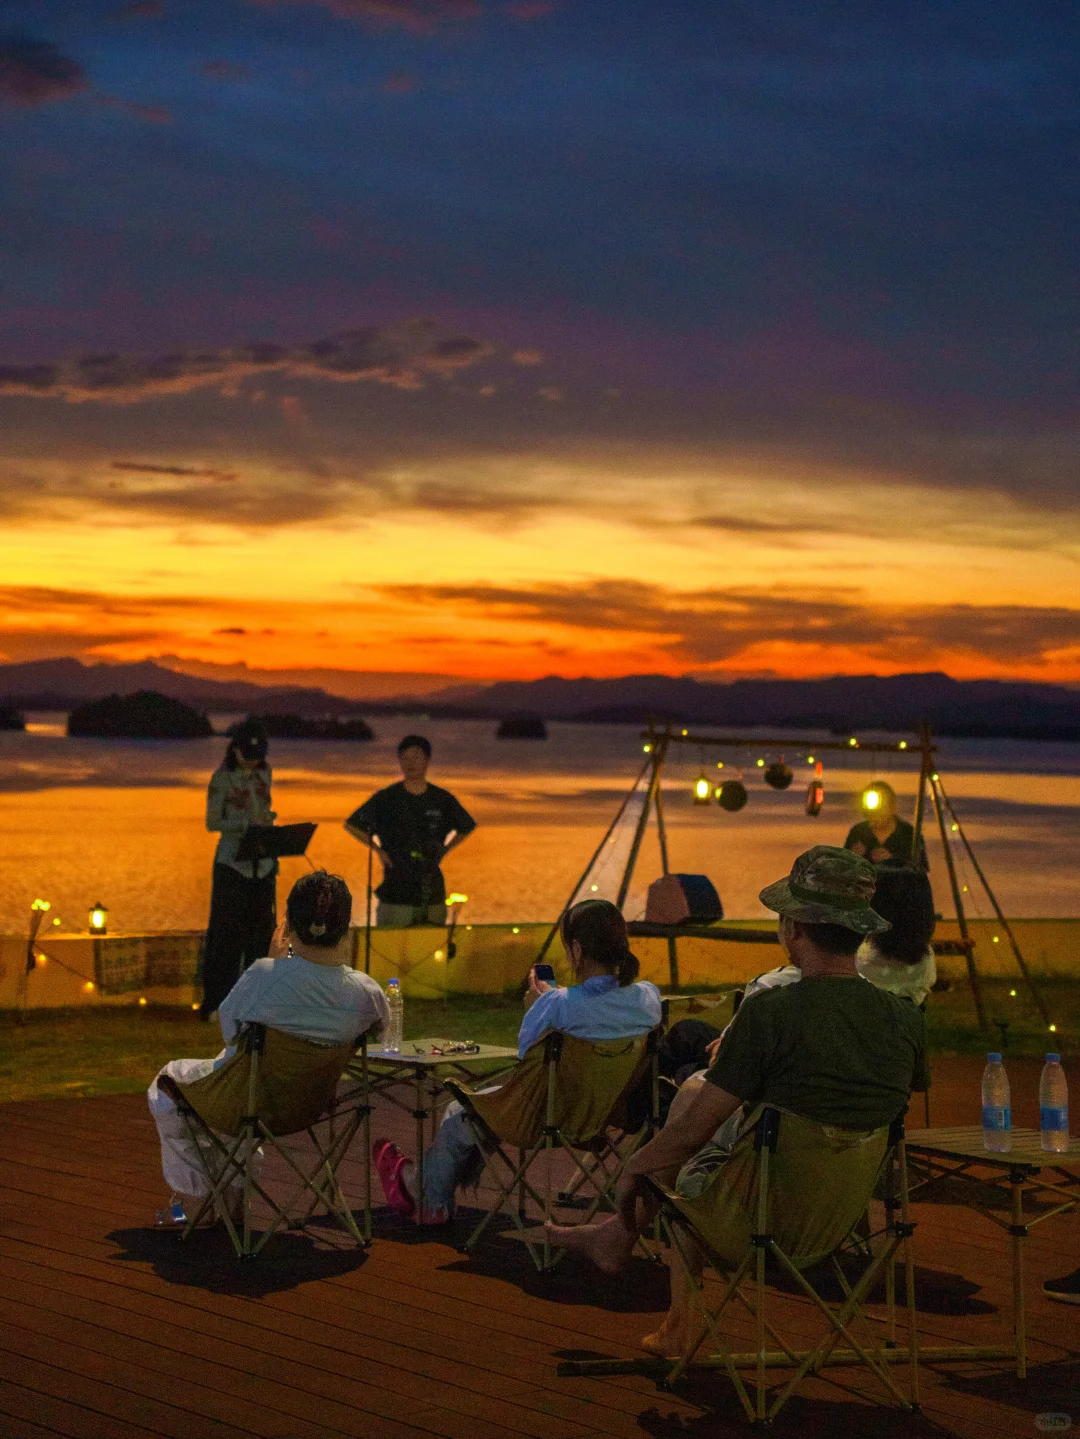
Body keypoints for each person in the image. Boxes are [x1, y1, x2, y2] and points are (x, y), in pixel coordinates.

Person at [545, 847, 926, 1359]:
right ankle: (617, 1242)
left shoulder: (771, 1012)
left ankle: (676, 1324)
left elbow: (692, 1132)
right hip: (842, 1220)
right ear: (859, 930)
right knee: (703, 1111)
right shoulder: (904, 1019)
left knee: (684, 1160)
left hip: (757, 1218)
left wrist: (633, 1169)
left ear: (794, 927)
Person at [372, 898, 663, 1224]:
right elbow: (601, 1011)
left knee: (460, 1113)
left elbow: (527, 1062)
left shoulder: (556, 1004)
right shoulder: (649, 997)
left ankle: (428, 1198)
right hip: (598, 1119)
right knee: (479, 1112)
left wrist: (537, 1007)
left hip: (541, 1118)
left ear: (577, 950)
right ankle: (425, 1190)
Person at [148, 871, 388, 1226]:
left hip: (247, 1104)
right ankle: (230, 1191)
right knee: (243, 1100)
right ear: (345, 927)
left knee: (165, 1086)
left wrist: (278, 963)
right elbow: (382, 1038)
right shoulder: (368, 994)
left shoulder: (265, 975)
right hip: (309, 1107)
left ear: (289, 924)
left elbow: (230, 1034)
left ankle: (205, 1190)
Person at [345, 734, 476, 926]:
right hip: (396, 889)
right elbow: (353, 824)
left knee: (431, 946)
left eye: (416, 757)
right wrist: (378, 850)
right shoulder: (387, 798)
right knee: (391, 947)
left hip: (432, 888)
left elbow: (467, 826)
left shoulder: (441, 799)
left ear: (427, 760)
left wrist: (445, 849)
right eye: (404, 758)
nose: (410, 763)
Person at [201, 720, 277, 1019]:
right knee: (225, 938)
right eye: (248, 754)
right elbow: (212, 822)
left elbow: (264, 807)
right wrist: (245, 825)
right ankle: (217, 1003)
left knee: (261, 937)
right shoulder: (221, 779)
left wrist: (268, 821)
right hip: (232, 864)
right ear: (234, 751)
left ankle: (256, 1003)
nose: (254, 760)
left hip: (263, 863)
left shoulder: (265, 774)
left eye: (258, 754)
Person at [844, 780, 927, 869]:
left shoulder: (910, 835)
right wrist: (852, 857)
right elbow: (842, 870)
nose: (876, 816)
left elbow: (920, 874)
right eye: (872, 812)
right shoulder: (857, 832)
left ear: (892, 807)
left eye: (881, 810)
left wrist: (892, 861)